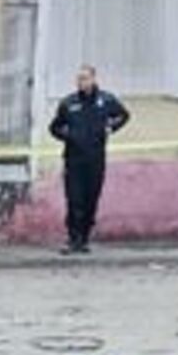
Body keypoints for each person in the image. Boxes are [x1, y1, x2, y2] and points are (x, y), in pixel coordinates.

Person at [49, 65, 130, 254]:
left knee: (91, 200)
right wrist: (68, 136)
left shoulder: (106, 100)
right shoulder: (69, 103)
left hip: (96, 159)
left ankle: (84, 237)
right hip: (74, 159)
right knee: (74, 199)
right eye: (79, 79)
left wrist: (111, 128)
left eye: (85, 78)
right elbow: (54, 127)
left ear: (93, 79)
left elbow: (123, 115)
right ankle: (73, 238)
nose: (81, 82)